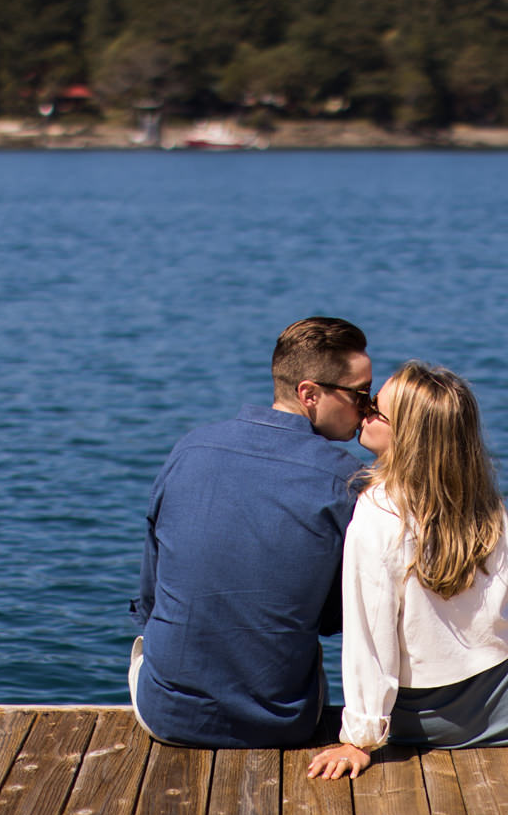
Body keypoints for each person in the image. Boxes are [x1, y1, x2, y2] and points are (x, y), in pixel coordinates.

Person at [129, 317, 374, 748]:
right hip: (279, 723)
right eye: (359, 394)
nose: (368, 408)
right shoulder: (346, 480)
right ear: (309, 394)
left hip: (165, 715)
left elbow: (152, 591)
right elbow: (339, 617)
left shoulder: (190, 449)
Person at [308, 361, 508, 780]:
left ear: (408, 435)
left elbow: (371, 637)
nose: (363, 412)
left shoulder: (377, 512)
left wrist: (359, 737)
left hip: (432, 717)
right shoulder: (485, 500)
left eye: (375, 409)